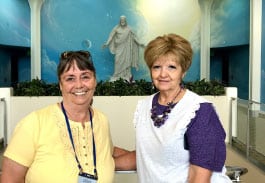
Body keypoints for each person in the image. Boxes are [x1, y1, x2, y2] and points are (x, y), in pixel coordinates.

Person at [1, 50, 135, 183]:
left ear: (95, 81)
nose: (79, 85)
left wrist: (147, 152)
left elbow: (106, 151)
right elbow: (10, 178)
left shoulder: (102, 120)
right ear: (60, 85)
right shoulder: (34, 123)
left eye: (85, 77)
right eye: (70, 78)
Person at [133, 34, 232, 182]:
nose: (162, 74)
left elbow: (199, 177)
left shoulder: (200, 111)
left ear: (183, 71)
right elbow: (148, 155)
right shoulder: (144, 106)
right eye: (156, 67)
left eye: (171, 67)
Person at [102, 15, 144, 82]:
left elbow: (134, 37)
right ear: (120, 21)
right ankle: (117, 75)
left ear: (125, 21)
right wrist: (107, 43)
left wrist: (139, 43)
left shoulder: (129, 28)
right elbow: (111, 36)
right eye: (121, 20)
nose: (122, 21)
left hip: (127, 48)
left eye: (123, 20)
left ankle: (126, 76)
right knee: (117, 60)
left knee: (127, 61)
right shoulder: (116, 28)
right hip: (119, 47)